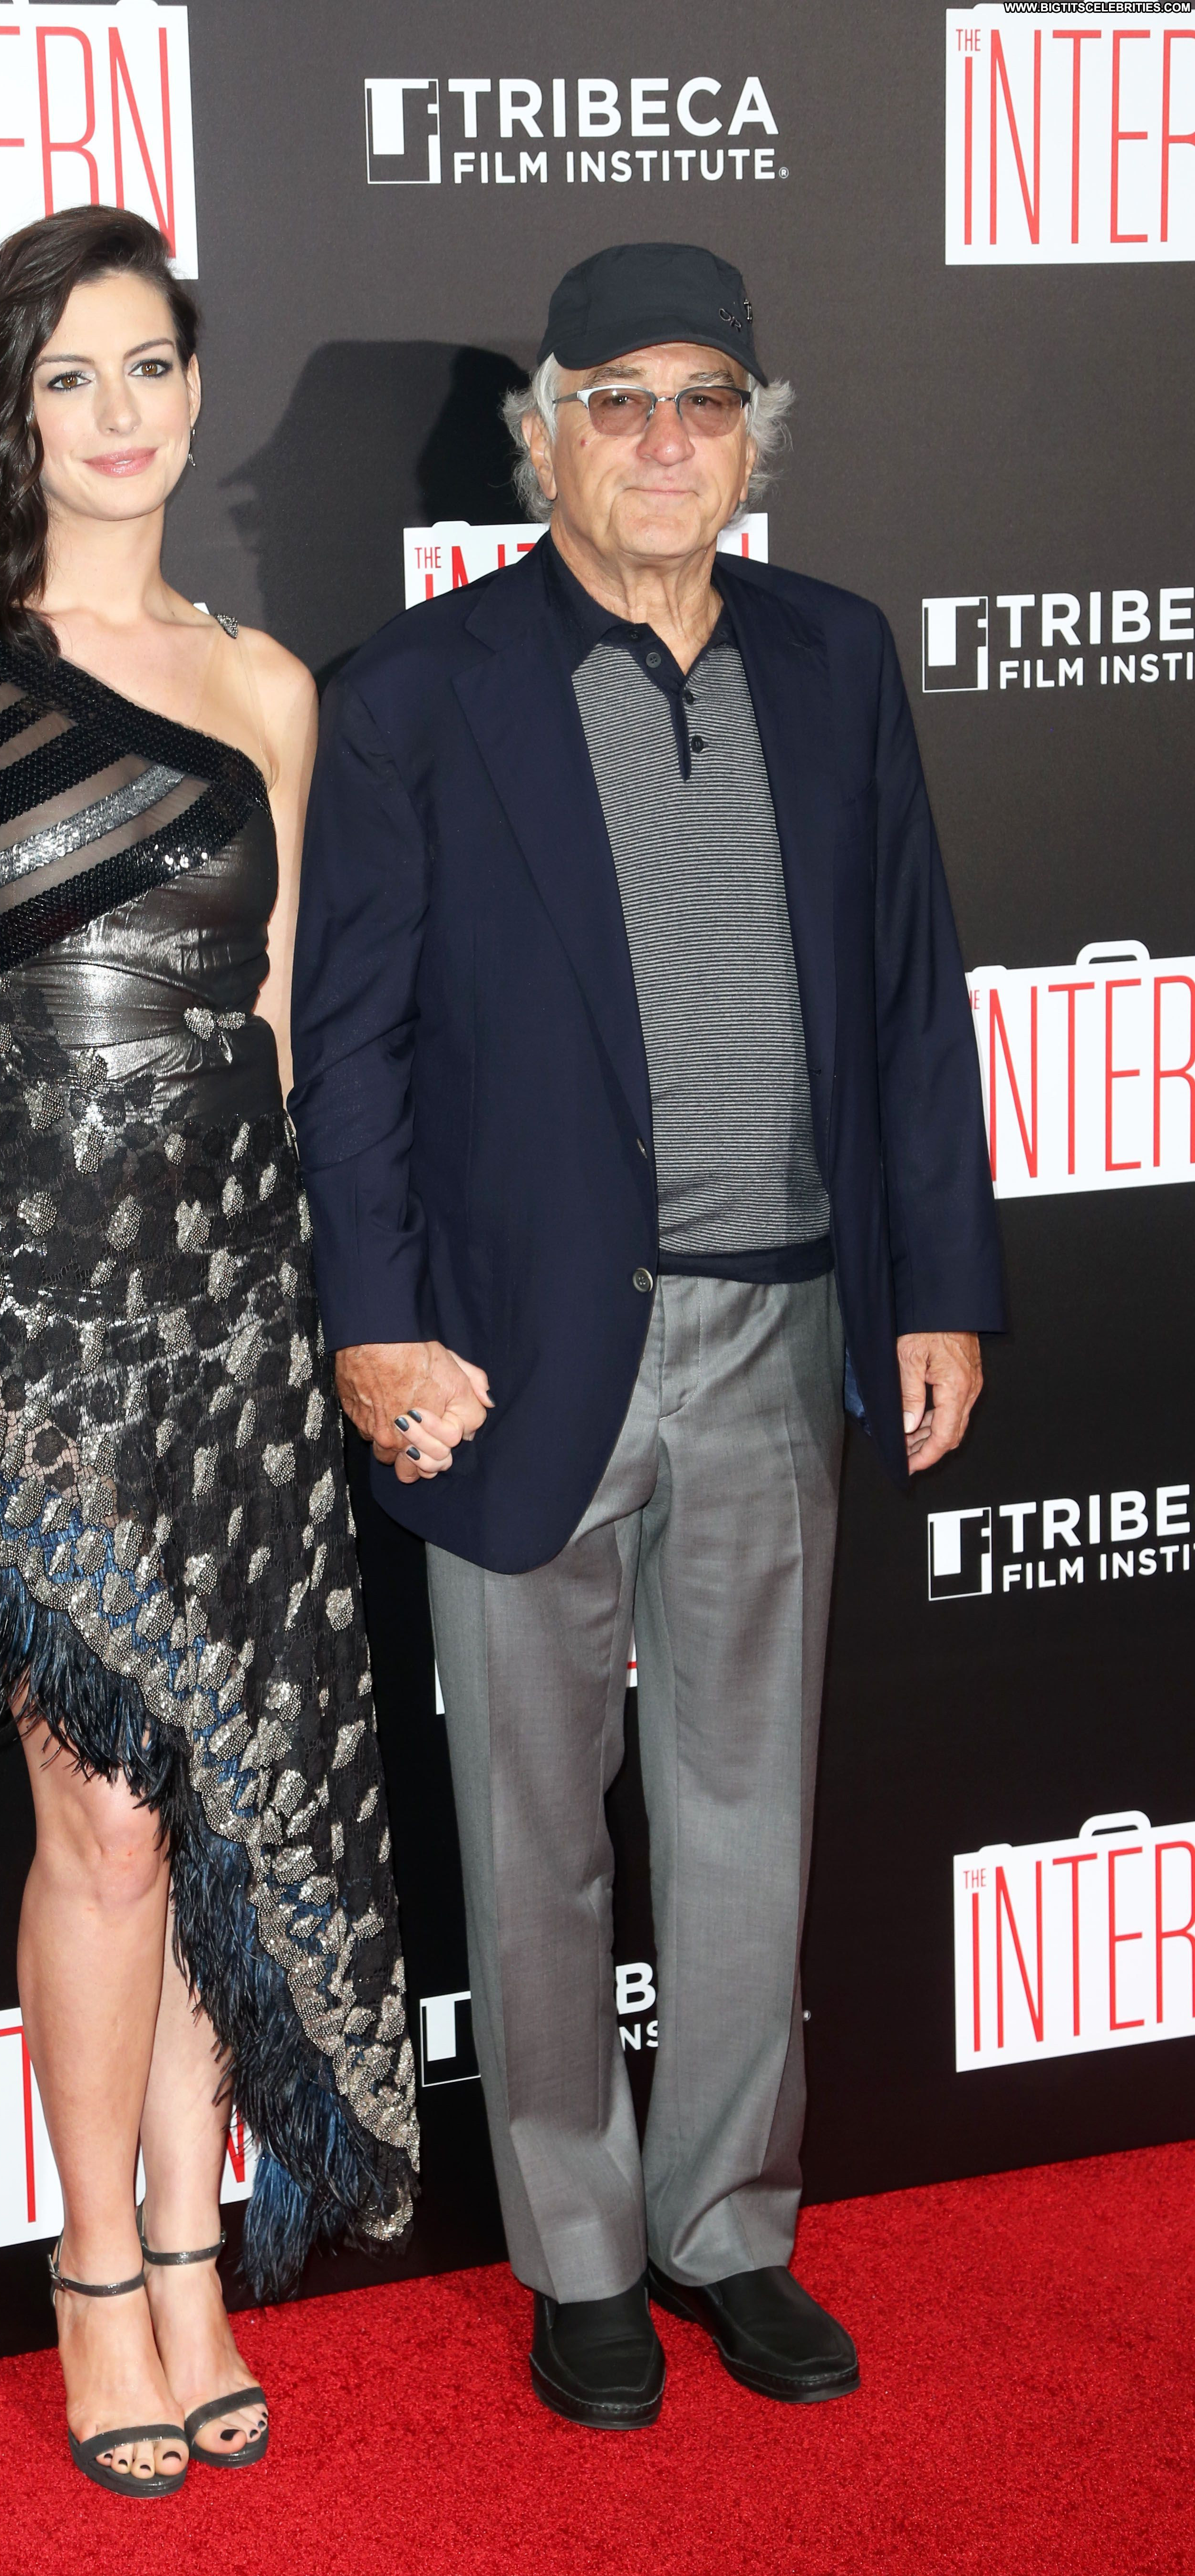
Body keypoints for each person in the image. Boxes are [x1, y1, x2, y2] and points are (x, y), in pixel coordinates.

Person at [290, 242, 1002, 2430]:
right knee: (532, 1831)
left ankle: (725, 2225)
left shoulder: (834, 656)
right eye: (619, 399)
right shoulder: (417, 691)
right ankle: (581, 2253)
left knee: (741, 1813)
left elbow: (909, 994)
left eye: (706, 400)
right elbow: (350, 1048)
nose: (666, 439)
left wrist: (940, 1282)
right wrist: (374, 1329)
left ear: (754, 441)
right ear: (543, 438)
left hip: (786, 1330)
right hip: (510, 1354)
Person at [0, 207, 416, 2499]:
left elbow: (281, 1043)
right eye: (67, 375)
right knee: (104, 1822)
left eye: (149, 363)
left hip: (232, 1339)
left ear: (193, 382)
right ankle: (93, 2273)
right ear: (10, 411)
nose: (119, 412)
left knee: (194, 1817)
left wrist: (334, 1337)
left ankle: (191, 2257)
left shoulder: (268, 688)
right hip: (28, 1355)